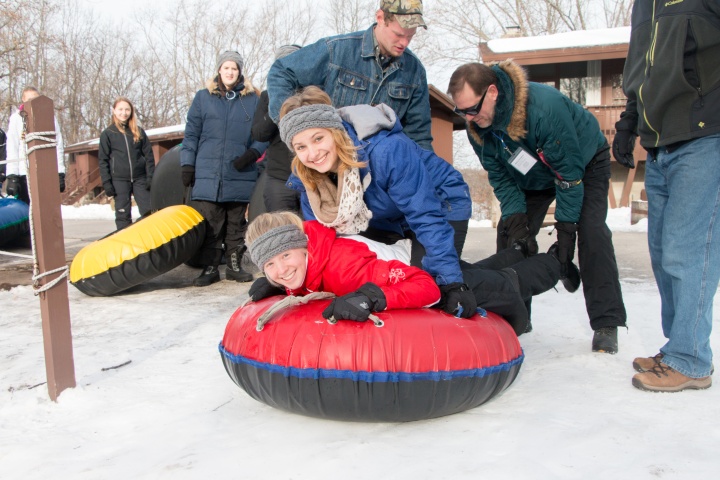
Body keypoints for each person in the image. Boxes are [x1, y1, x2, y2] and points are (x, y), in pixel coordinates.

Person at [447, 60, 627, 352]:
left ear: (492, 92)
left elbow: (568, 176)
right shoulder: (477, 125)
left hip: (583, 163)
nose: (468, 117)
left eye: (472, 109)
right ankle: (516, 313)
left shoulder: (543, 110)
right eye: (461, 111)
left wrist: (566, 231)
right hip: (531, 175)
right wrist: (518, 219)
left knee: (591, 232)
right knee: (510, 234)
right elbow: (500, 175)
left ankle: (606, 321)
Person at [278, 86, 475, 318]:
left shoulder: (386, 151)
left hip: (439, 203)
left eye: (318, 138)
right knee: (388, 279)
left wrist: (451, 282)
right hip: (382, 216)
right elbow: (322, 245)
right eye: (301, 147)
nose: (312, 154)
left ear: (335, 131)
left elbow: (425, 216)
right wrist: (285, 282)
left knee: (433, 283)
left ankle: (514, 276)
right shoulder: (309, 180)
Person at [614, 1, 720, 392]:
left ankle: (692, 361)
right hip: (660, 144)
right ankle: (679, 347)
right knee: (662, 251)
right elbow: (639, 71)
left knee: (688, 249)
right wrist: (628, 125)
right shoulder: (644, 6)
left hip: (706, 136)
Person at [246, 211, 578, 335]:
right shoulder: (303, 265)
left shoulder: (344, 266)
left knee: (505, 285)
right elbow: (302, 278)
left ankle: (556, 263)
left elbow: (426, 288)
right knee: (475, 271)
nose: (281, 269)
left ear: (303, 247)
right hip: (405, 261)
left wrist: (375, 296)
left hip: (422, 267)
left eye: (285, 256)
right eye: (269, 265)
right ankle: (516, 252)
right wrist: (281, 287)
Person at [267, 0, 433, 150]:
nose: (404, 42)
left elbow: (418, 136)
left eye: (410, 36)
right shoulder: (337, 51)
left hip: (379, 171)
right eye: (398, 34)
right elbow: (281, 71)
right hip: (331, 163)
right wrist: (291, 124)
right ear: (380, 17)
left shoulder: (415, 71)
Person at [181, 50, 267, 287]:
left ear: (240, 73)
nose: (230, 72)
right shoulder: (203, 98)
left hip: (240, 170)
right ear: (219, 69)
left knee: (236, 223)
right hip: (208, 172)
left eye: (235, 68)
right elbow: (191, 135)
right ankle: (210, 267)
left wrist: (253, 153)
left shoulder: (253, 100)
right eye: (226, 67)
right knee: (211, 223)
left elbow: (263, 134)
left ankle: (233, 265)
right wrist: (187, 163)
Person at [251, 44, 303, 214]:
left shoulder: (312, 94)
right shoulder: (268, 96)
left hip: (310, 177)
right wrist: (280, 104)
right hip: (279, 178)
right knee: (282, 231)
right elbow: (259, 133)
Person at [98, 97, 155, 231]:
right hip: (119, 180)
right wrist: (107, 183)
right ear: (114, 111)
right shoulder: (108, 134)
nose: (124, 113)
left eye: (127, 109)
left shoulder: (138, 131)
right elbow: (103, 160)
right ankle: (127, 244)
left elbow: (149, 156)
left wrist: (150, 177)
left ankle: (148, 241)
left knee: (149, 212)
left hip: (140, 179)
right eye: (120, 109)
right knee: (123, 215)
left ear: (131, 111)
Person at [5, 86, 65, 205]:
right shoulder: (16, 119)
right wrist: (12, 176)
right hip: (24, 173)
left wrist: (60, 172)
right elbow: (12, 147)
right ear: (23, 100)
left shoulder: (49, 117)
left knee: (47, 209)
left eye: (36, 99)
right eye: (29, 99)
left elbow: (57, 146)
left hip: (46, 171)